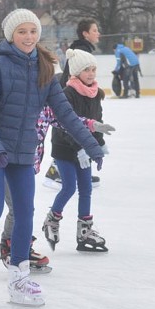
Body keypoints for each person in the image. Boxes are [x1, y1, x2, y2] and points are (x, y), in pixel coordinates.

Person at [0, 9, 104, 307]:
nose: (29, 37)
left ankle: (19, 279)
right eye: (22, 31)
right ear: (11, 35)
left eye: (33, 31)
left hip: (21, 153)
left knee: (24, 213)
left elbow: (66, 115)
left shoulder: (44, 69)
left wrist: (91, 145)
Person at [0, 106, 115, 273]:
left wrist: (93, 125)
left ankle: (19, 246)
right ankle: (9, 247)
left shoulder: (46, 110)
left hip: (26, 167)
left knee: (25, 209)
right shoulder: (14, 103)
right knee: (14, 208)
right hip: (5, 162)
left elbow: (70, 122)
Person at [43, 49, 110, 254]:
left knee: (86, 188)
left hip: (85, 149)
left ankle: (84, 232)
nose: (91, 74)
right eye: (86, 70)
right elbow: (64, 125)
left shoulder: (96, 93)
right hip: (64, 148)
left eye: (93, 69)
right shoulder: (67, 93)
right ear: (75, 72)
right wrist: (79, 148)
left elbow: (95, 122)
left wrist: (98, 143)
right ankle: (52, 220)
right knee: (69, 187)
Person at [47, 18, 102, 189]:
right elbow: (72, 76)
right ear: (85, 33)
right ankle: (57, 171)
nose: (98, 33)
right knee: (70, 129)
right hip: (72, 93)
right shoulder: (81, 50)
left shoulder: (81, 48)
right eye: (94, 30)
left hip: (74, 92)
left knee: (76, 128)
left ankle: (63, 169)